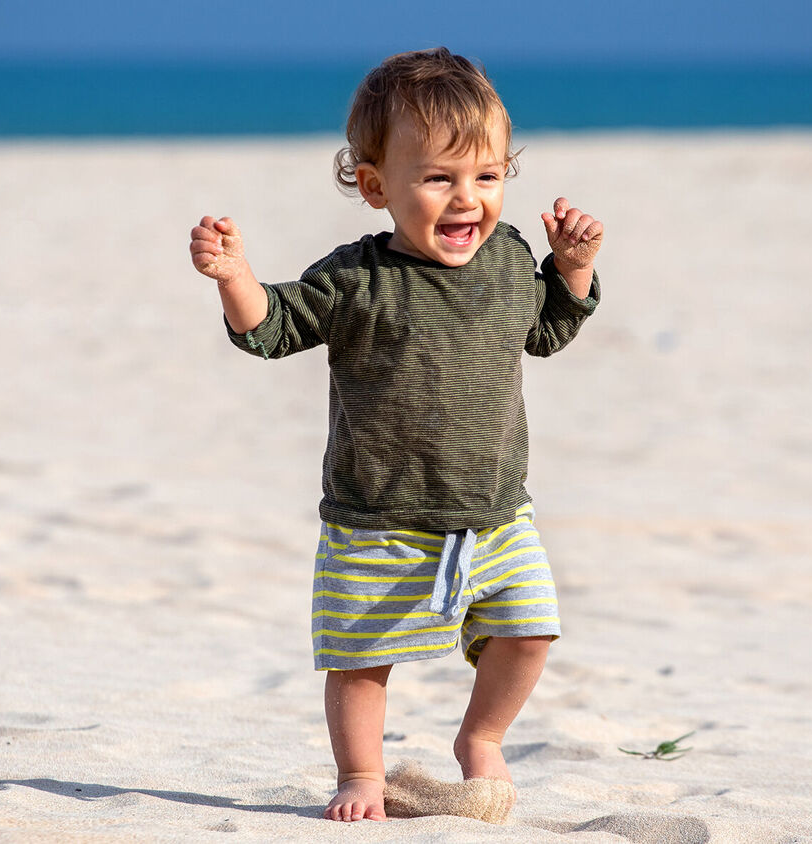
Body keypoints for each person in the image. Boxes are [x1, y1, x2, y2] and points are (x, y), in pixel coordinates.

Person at [189, 47, 603, 824]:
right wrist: (236, 277)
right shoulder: (355, 279)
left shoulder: (513, 257)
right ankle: (362, 777)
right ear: (376, 185)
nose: (467, 199)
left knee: (531, 631)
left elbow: (547, 331)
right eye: (439, 178)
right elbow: (271, 330)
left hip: (494, 511)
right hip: (378, 515)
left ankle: (480, 738)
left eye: (487, 176)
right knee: (359, 657)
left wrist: (572, 268)